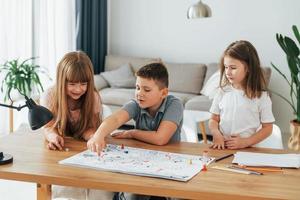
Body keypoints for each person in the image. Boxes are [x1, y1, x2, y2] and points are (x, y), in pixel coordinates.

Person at [88, 62, 183, 200]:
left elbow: (160, 139)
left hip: (168, 163)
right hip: (142, 160)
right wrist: (98, 135)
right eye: (137, 88)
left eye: (146, 90)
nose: (139, 94)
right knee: (132, 194)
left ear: (164, 93)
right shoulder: (136, 104)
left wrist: (132, 133)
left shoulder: (174, 104)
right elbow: (115, 119)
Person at [41, 51, 113, 200]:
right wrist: (53, 136)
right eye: (72, 84)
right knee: (66, 188)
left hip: (84, 148)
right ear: (61, 81)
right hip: (62, 151)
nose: (78, 89)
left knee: (98, 188)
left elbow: (90, 128)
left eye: (83, 84)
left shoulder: (92, 97)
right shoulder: (50, 96)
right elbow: (48, 127)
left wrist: (93, 137)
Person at [209, 40, 275, 150]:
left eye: (233, 68)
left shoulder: (261, 97)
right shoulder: (222, 92)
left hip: (248, 149)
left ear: (248, 68)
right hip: (222, 148)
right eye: (226, 67)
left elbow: (268, 128)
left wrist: (246, 142)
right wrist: (216, 134)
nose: (228, 72)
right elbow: (213, 119)